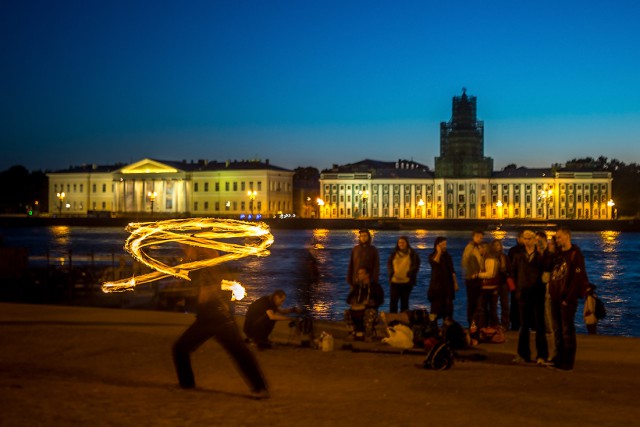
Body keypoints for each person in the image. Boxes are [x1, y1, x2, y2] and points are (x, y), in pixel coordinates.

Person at [172, 246, 269, 398]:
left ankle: (260, 388)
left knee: (240, 352)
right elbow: (197, 291)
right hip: (205, 318)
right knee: (180, 348)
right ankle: (187, 384)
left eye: (186, 248)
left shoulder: (209, 264)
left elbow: (207, 290)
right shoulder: (198, 267)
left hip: (219, 317)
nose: (183, 251)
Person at [548, 227, 589, 371]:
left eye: (559, 237)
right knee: (557, 329)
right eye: (556, 238)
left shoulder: (575, 254)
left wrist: (568, 297)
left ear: (567, 236)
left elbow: (577, 278)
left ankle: (568, 361)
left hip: (566, 299)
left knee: (567, 330)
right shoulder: (557, 254)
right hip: (555, 296)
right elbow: (549, 269)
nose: (557, 240)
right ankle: (558, 357)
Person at [511, 230, 548, 365]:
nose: (527, 241)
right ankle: (523, 354)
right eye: (525, 238)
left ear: (534, 239)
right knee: (524, 326)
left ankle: (542, 355)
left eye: (530, 238)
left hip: (537, 293)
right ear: (522, 239)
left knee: (539, 326)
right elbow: (512, 274)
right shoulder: (518, 255)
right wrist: (515, 290)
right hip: (523, 294)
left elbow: (547, 269)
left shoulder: (541, 255)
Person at [345, 266, 384, 342]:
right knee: (347, 312)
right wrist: (353, 301)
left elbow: (380, 300)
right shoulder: (357, 287)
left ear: (367, 275)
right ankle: (352, 333)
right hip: (357, 309)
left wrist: (370, 302)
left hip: (370, 310)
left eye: (361, 273)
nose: (359, 275)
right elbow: (348, 299)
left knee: (369, 312)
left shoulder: (375, 287)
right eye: (358, 274)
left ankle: (368, 335)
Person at [427, 236, 458, 329]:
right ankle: (434, 330)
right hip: (436, 288)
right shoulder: (432, 256)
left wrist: (455, 283)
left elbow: (452, 271)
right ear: (437, 245)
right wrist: (439, 252)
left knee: (448, 310)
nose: (445, 246)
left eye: (445, 244)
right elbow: (435, 263)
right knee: (435, 311)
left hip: (447, 287)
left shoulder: (448, 257)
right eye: (442, 244)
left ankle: (446, 329)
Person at [387, 236, 421, 313]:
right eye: (399, 242)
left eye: (403, 242)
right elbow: (389, 264)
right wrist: (391, 272)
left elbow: (416, 265)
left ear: (407, 243)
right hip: (395, 282)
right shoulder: (394, 254)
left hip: (406, 282)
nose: (401, 244)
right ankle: (393, 320)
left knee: (404, 303)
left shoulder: (412, 254)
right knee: (393, 303)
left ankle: (404, 321)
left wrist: (410, 273)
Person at [474, 242, 500, 329]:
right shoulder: (486, 258)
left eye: (480, 248)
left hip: (489, 288)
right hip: (488, 288)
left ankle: (489, 327)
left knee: (487, 309)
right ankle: (488, 327)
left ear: (485, 249)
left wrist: (478, 275)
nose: (479, 250)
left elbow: (490, 274)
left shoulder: (489, 259)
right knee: (488, 309)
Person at [461, 230, 484, 328]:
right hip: (472, 278)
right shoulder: (470, 247)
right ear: (473, 237)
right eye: (478, 236)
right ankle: (472, 323)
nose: (480, 239)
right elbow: (465, 261)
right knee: (472, 303)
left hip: (476, 278)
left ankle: (475, 323)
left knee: (475, 303)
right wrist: (470, 273)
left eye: (481, 237)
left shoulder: (477, 248)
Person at [491, 239, 511, 330]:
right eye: (495, 245)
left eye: (498, 245)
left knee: (505, 305)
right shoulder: (490, 257)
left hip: (503, 283)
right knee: (493, 305)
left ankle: (505, 324)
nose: (496, 247)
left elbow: (509, 269)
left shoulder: (504, 257)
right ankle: (495, 323)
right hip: (494, 283)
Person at [507, 231, 525, 330]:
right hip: (516, 281)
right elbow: (509, 268)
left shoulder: (513, 251)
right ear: (518, 239)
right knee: (515, 304)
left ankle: (517, 324)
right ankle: (515, 324)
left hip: (522, 282)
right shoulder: (513, 251)